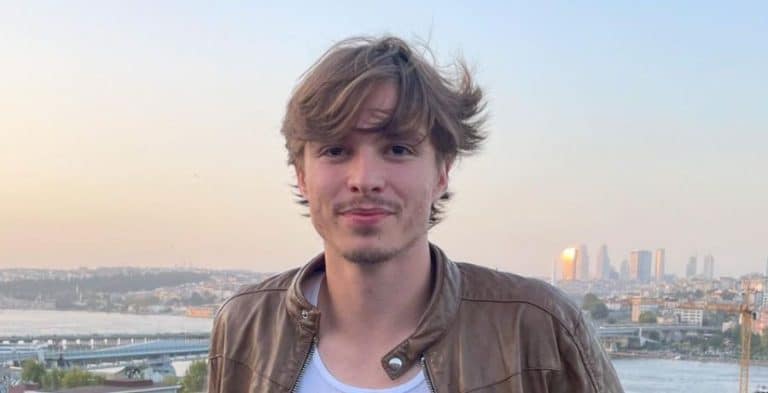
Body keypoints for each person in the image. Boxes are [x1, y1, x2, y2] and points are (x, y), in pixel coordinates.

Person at [207, 35, 624, 393]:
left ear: (442, 172)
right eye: (335, 150)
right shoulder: (245, 326)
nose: (365, 179)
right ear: (301, 174)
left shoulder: (535, 329)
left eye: (398, 149)